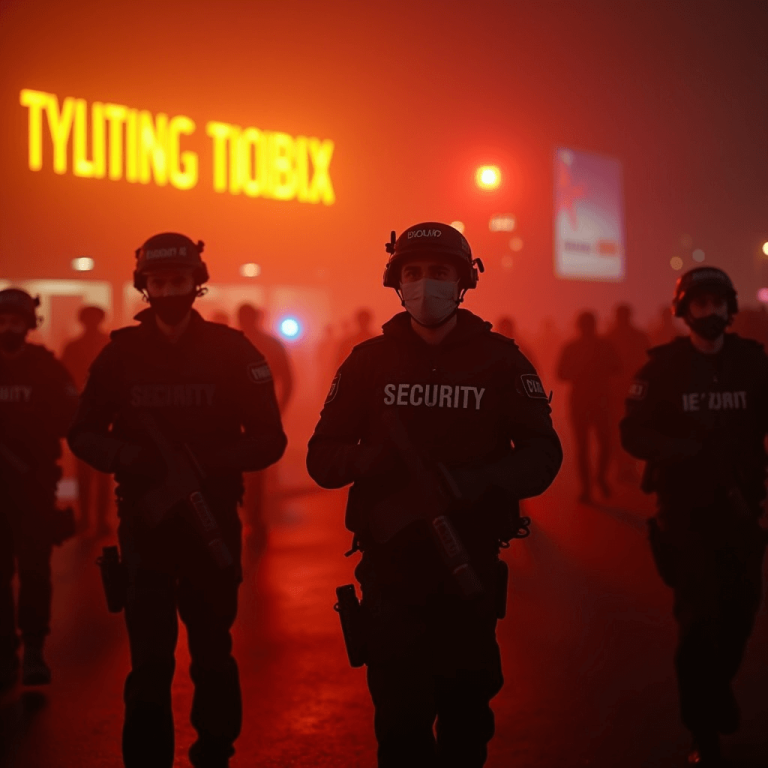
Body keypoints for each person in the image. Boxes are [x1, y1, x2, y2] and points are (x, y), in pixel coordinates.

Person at [306, 222, 562, 767]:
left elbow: (543, 455)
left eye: (440, 273)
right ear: (396, 282)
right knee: (400, 725)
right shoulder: (367, 363)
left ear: (465, 281)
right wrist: (366, 458)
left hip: (468, 563)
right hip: (391, 572)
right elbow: (320, 457)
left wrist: (474, 482)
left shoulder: (501, 360)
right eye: (414, 273)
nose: (426, 285)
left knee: (467, 720)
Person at [68, 233, 287, 768]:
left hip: (212, 522)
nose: (169, 291)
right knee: (148, 662)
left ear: (197, 284)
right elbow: (83, 433)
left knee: (212, 652)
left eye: (179, 281)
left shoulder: (233, 352)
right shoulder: (119, 356)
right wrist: (133, 458)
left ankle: (215, 750)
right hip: (145, 529)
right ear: (145, 287)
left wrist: (208, 461)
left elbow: (269, 439)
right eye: (159, 282)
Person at [620, 267, 768, 767]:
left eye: (717, 304)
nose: (710, 314)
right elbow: (632, 434)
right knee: (699, 621)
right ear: (684, 311)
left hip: (744, 513)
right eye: (699, 305)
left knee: (741, 614)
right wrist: (683, 451)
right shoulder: (660, 370)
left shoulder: (752, 363)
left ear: (730, 308)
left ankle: (718, 687)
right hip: (685, 515)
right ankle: (702, 729)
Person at [0, 288, 79, 689]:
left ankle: (33, 650)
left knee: (33, 571)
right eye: (2, 322)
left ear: (28, 326)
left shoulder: (45, 367)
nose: (7, 329)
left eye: (15, 322)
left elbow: (71, 416)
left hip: (32, 486)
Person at [236, 303, 294, 556]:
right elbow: (289, 379)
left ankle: (252, 519)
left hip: (247, 418)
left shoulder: (232, 343)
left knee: (252, 471)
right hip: (252, 417)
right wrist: (279, 409)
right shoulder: (266, 344)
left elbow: (288, 379)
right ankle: (253, 519)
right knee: (253, 471)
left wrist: (279, 409)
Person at [556, 310, 621, 503]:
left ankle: (593, 484)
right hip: (594, 400)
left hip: (588, 401)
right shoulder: (601, 345)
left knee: (592, 446)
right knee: (594, 445)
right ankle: (592, 484)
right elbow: (561, 373)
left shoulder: (575, 347)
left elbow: (561, 374)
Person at [61, 305, 112, 535]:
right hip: (101, 415)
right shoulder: (110, 345)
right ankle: (96, 521)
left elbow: (65, 382)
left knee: (92, 471)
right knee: (99, 471)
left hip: (85, 415)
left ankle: (89, 520)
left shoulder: (74, 347)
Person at [605, 304, 650, 483]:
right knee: (628, 428)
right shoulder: (638, 336)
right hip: (631, 390)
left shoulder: (610, 337)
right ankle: (626, 468)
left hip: (622, 390)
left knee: (620, 429)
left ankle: (625, 468)